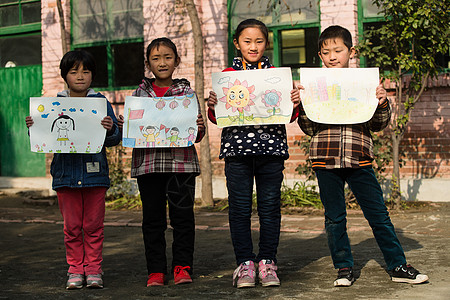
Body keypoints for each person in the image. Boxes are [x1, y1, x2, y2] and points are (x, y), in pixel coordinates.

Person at [296, 25, 429, 287]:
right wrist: (302, 104)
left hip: (359, 158)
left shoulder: (365, 82)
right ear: (319, 55)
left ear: (351, 52)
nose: (332, 56)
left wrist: (381, 102)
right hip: (326, 158)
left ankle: (397, 265)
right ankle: (344, 268)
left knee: (378, 214)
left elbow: (378, 125)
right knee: (334, 218)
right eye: (326, 52)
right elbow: (309, 128)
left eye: (338, 50)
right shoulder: (313, 85)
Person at [207, 19, 300, 288]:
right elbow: (217, 118)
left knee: (270, 208)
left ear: (266, 43)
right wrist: (214, 106)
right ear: (236, 43)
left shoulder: (277, 75)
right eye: (247, 41)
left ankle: (268, 262)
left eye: (259, 41)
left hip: (271, 150)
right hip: (237, 152)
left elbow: (289, 115)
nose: (253, 46)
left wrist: (294, 102)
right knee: (239, 209)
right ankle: (245, 263)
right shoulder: (226, 75)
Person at [25, 50, 121, 289]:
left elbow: (113, 139)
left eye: (86, 71)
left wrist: (110, 128)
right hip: (65, 176)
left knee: (93, 226)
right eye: (74, 71)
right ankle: (75, 271)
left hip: (95, 175)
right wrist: (33, 127)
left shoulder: (101, 104)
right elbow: (44, 139)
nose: (80, 76)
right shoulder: (53, 105)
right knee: (72, 227)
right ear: (64, 75)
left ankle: (94, 270)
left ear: (93, 75)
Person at [125, 37, 205, 287]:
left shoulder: (186, 93)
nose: (162, 62)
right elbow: (133, 130)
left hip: (181, 166)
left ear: (177, 61)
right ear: (148, 63)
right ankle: (156, 270)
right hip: (148, 167)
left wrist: (199, 127)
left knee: (182, 218)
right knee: (152, 220)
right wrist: (125, 126)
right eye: (156, 58)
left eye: (168, 57)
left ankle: (183, 267)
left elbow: (196, 134)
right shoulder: (139, 94)